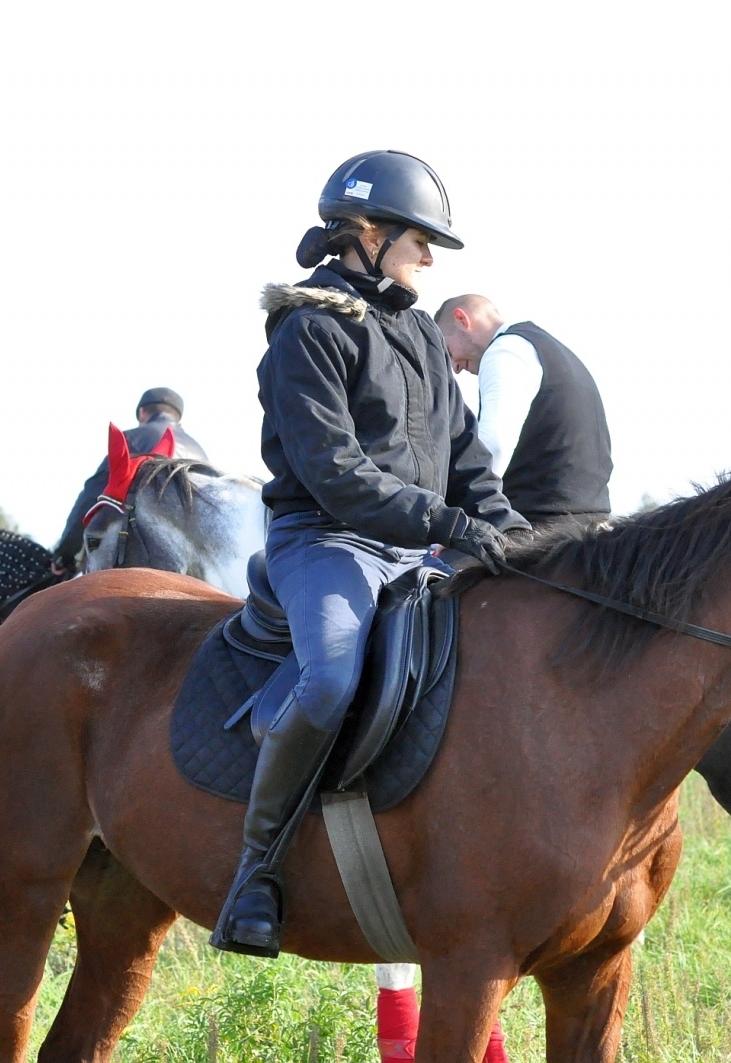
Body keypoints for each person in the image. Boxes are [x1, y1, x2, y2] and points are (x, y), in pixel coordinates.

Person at [211, 149, 529, 965]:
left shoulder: (420, 332)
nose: (430, 259)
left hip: (414, 545)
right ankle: (256, 873)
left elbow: (467, 459)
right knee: (329, 679)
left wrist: (521, 540)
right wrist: (448, 523)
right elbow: (336, 473)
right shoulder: (308, 329)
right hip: (326, 540)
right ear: (367, 233)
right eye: (421, 241)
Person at [435, 295, 613, 530]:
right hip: (589, 522)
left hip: (542, 527)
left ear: (462, 319)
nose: (455, 368)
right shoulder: (548, 350)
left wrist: (460, 522)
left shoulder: (506, 352)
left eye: (448, 352)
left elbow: (492, 446)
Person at [50, 387, 207, 571]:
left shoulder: (131, 440)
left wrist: (64, 554)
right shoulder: (201, 453)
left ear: (142, 413)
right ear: (178, 418)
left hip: (137, 559)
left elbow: (93, 498)